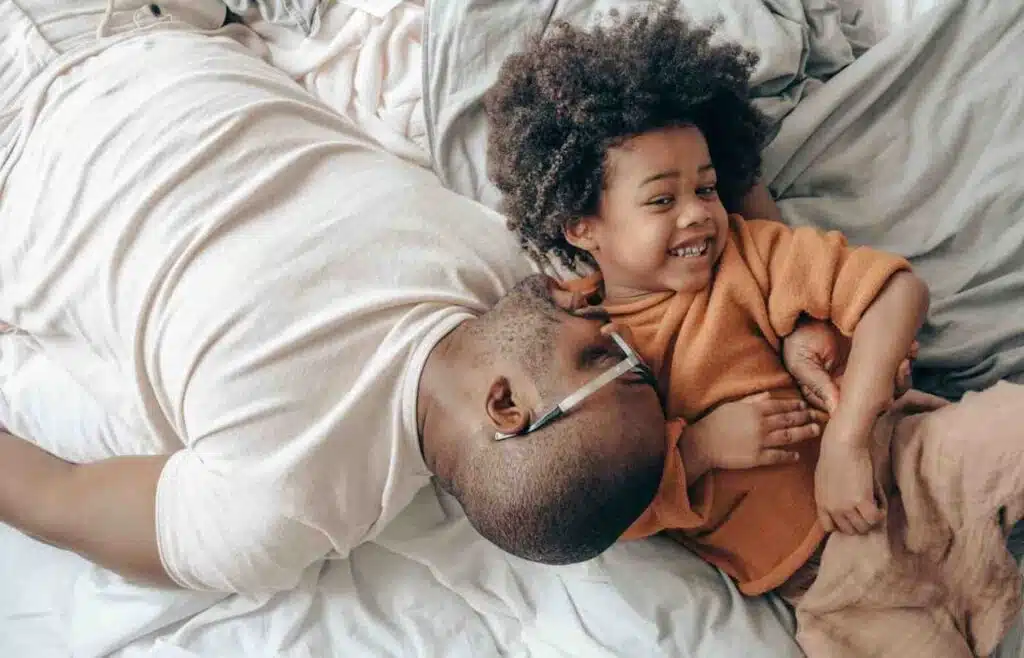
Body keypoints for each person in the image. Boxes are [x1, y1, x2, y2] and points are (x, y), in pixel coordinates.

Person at [0, 0, 846, 596]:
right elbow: (687, 196)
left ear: (508, 408)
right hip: (158, 32)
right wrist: (800, 319)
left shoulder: (279, 504)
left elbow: (50, 496)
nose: (599, 321)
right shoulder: (509, 289)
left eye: (603, 358)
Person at [484, 4, 1024, 656]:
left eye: (707, 190)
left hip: (912, 465)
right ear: (581, 226)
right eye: (662, 199)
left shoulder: (748, 255)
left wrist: (848, 440)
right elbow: (582, 499)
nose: (697, 216)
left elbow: (895, 292)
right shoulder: (581, 344)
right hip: (834, 587)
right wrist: (701, 449)